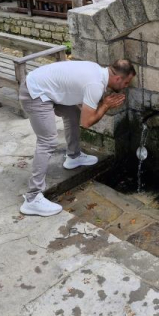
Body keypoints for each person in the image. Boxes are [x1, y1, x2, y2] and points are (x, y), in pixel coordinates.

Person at [19, 58, 136, 216]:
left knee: (73, 112)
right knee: (48, 141)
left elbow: (84, 104)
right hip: (34, 93)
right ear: (117, 78)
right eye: (126, 83)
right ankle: (32, 198)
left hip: (44, 87)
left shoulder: (97, 71)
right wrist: (106, 105)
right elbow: (86, 122)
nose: (126, 87)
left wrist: (102, 103)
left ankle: (73, 156)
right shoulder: (95, 84)